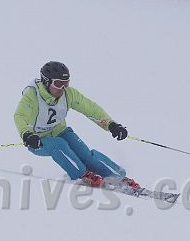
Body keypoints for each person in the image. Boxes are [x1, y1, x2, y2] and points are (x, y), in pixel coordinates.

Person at [13, 61, 140, 189]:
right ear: (46, 82)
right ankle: (82, 175)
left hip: (60, 132)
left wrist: (111, 125)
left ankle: (118, 177)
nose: (63, 88)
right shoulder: (32, 95)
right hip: (37, 141)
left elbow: (90, 109)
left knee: (85, 154)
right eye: (58, 84)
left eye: (66, 83)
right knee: (58, 145)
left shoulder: (69, 94)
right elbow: (21, 116)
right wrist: (27, 135)